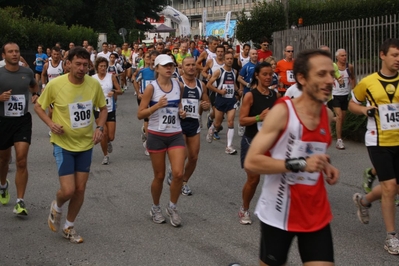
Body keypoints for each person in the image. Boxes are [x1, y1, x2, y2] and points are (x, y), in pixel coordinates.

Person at [244, 49, 339, 265]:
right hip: (280, 212)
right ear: (302, 78)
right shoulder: (283, 112)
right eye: (321, 74)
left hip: (316, 212)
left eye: (331, 74)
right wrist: (301, 164)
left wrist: (325, 165)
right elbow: (252, 161)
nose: (329, 80)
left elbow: (313, 152)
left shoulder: (327, 114)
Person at [34, 47, 107, 243]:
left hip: (85, 145)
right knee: (68, 190)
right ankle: (57, 206)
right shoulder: (55, 84)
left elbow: (103, 109)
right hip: (63, 143)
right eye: (78, 64)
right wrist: (50, 124)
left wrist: (99, 127)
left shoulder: (93, 85)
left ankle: (69, 226)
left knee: (80, 189)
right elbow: (38, 107)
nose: (82, 68)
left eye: (85, 65)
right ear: (68, 64)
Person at [350, 38, 399, 255]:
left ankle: (364, 200)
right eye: (394, 55)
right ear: (382, 55)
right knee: (390, 187)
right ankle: (391, 237)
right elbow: (352, 103)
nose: (398, 59)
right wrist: (364, 110)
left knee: (395, 186)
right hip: (378, 141)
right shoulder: (368, 82)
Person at [137, 54, 186, 227]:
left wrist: (181, 112)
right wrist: (156, 106)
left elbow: (178, 105)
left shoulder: (179, 86)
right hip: (156, 135)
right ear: (156, 68)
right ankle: (156, 207)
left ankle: (172, 207)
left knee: (179, 173)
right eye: (165, 66)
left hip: (175, 134)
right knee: (159, 175)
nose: (169, 68)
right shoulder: (151, 88)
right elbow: (140, 114)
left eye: (171, 65)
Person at [0, 42, 39, 215]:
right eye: (10, 52)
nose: (15, 54)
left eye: (17, 51)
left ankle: (20, 201)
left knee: (21, 159)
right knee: (3, 160)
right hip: (3, 121)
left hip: (22, 120)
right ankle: (3, 185)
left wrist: (35, 95)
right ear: (4, 55)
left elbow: (33, 85)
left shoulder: (27, 72)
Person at [238, 62, 278, 225]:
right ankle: (245, 209)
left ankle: (272, 209)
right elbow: (241, 120)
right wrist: (258, 118)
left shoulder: (274, 95)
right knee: (253, 179)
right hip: (251, 141)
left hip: (269, 143)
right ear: (257, 76)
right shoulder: (250, 95)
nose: (268, 77)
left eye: (270, 74)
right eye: (265, 74)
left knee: (275, 179)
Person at [166, 57, 210, 195]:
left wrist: (205, 105)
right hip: (179, 122)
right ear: (182, 68)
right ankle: (174, 174)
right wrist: (178, 110)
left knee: (193, 157)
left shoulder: (201, 85)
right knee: (182, 155)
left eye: (193, 65)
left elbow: (207, 104)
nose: (191, 67)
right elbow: (167, 102)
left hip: (193, 123)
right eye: (188, 65)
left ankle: (184, 181)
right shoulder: (176, 83)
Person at [206, 51, 241, 154]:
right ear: (224, 60)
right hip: (221, 99)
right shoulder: (219, 71)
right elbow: (209, 85)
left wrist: (238, 91)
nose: (230, 60)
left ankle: (229, 146)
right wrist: (219, 91)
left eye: (231, 59)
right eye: (228, 59)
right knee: (217, 123)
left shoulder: (234, 72)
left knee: (230, 122)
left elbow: (234, 84)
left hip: (231, 100)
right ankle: (212, 128)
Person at [92, 57, 123, 165]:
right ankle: (105, 155)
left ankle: (108, 142)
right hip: (98, 109)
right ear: (97, 67)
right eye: (101, 66)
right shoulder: (93, 78)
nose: (103, 68)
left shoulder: (112, 77)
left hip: (110, 109)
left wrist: (114, 91)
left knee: (111, 136)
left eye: (105, 66)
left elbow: (120, 91)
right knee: (103, 133)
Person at [332, 48, 356, 150]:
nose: (344, 57)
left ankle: (329, 121)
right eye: (342, 56)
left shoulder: (349, 67)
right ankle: (339, 140)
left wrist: (354, 92)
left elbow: (353, 78)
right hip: (335, 95)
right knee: (340, 116)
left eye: (345, 55)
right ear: (337, 57)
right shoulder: (333, 67)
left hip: (345, 95)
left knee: (342, 119)